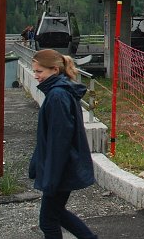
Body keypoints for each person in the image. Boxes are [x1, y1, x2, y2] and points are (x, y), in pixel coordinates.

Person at [28, 49, 97, 239]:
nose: (36, 76)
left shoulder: (57, 96)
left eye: (39, 71)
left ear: (55, 70)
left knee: (48, 221)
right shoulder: (61, 91)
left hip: (59, 169)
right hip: (61, 167)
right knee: (57, 214)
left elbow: (59, 141)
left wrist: (51, 176)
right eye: (35, 72)